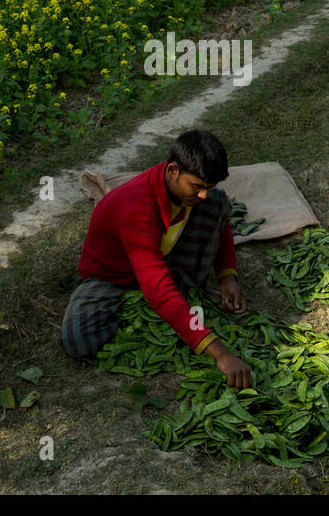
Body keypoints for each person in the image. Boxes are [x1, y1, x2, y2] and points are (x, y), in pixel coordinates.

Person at [61, 129, 253, 389]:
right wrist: (221, 353)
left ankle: (179, 305)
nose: (202, 195)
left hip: (162, 258)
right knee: (79, 339)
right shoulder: (135, 209)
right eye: (197, 187)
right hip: (113, 276)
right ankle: (167, 313)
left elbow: (223, 227)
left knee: (217, 202)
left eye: (207, 187)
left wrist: (227, 275)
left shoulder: (196, 196)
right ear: (172, 170)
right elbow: (158, 289)